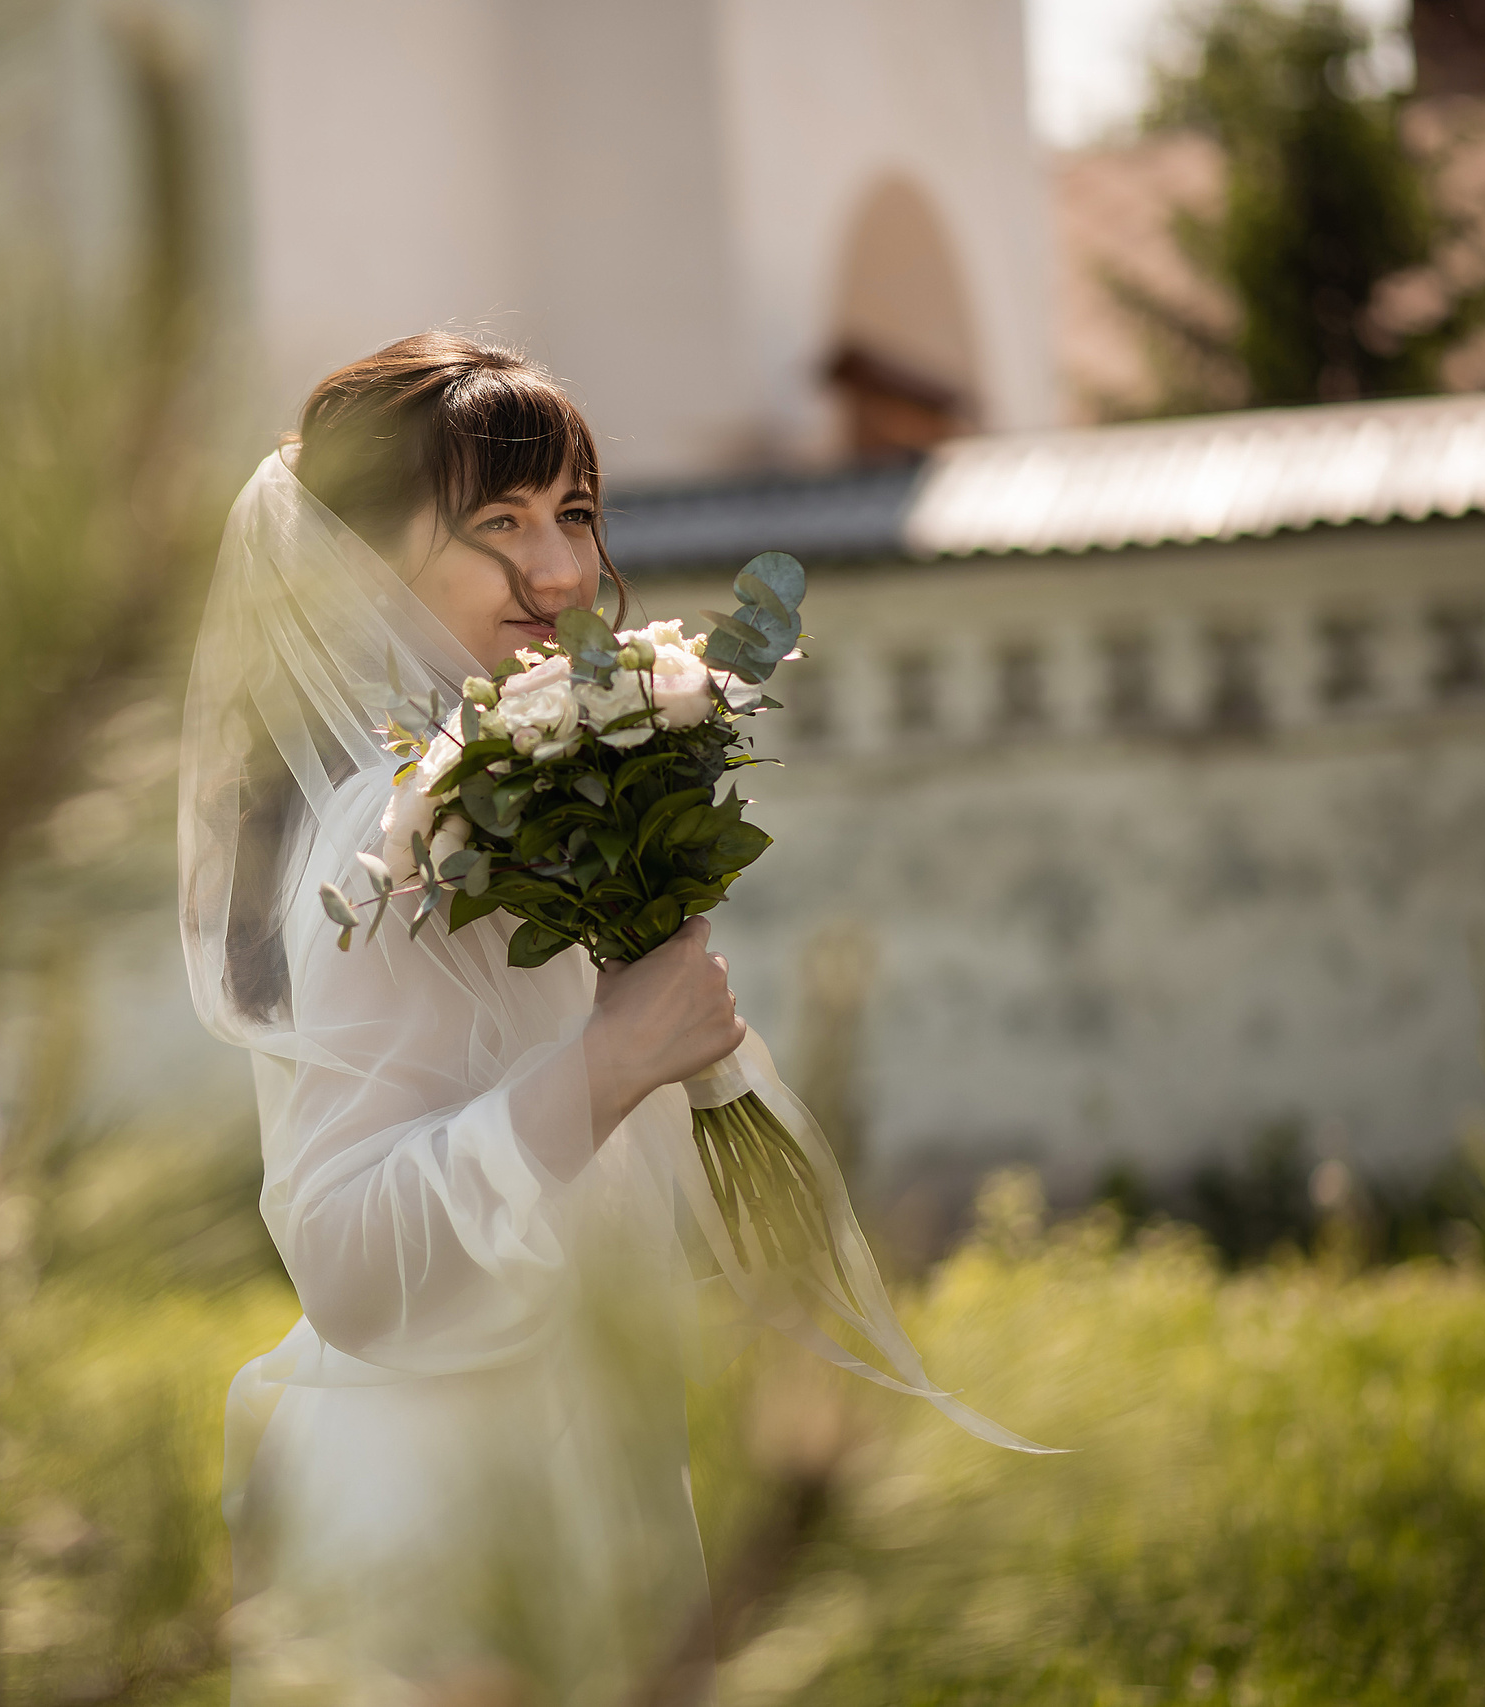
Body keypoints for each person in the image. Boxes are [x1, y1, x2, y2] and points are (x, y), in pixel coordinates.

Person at [177, 332, 1037, 1704]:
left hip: (575, 1454)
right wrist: (617, 1056)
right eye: (499, 525)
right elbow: (344, 1259)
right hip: (443, 1522)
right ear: (365, 565)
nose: (565, 569)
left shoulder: (507, 797)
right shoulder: (388, 847)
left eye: (574, 512)